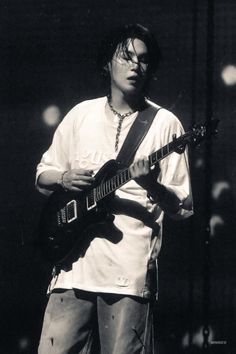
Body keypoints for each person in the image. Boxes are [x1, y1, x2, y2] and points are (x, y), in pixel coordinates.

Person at [36, 23, 193, 354]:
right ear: (108, 62)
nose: (136, 66)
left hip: (129, 273)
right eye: (127, 56)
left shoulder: (166, 124)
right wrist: (64, 179)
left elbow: (183, 206)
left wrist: (153, 186)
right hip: (72, 268)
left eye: (144, 60)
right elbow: (42, 175)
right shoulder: (81, 115)